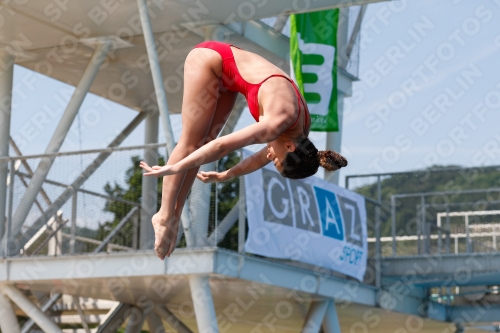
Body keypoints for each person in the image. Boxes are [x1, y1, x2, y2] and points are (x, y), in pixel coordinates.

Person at [140, 41, 347, 260]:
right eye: (275, 159)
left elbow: (258, 159)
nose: (269, 155)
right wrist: (175, 167)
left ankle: (174, 214)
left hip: (228, 77)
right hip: (210, 58)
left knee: (202, 145)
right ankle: (163, 216)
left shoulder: (298, 132)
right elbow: (221, 147)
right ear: (289, 147)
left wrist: (226, 174)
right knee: (191, 144)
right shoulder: (275, 125)